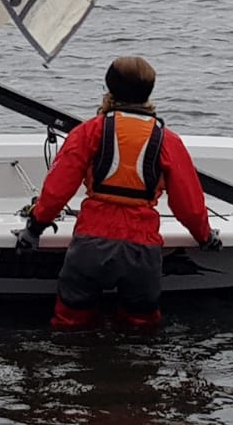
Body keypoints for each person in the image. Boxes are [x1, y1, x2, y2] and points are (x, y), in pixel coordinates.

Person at [16, 56, 219, 331]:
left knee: (70, 325)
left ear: (108, 88)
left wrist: (34, 228)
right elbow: (189, 202)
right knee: (141, 328)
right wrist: (205, 237)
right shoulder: (168, 140)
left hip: (90, 244)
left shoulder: (89, 131)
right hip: (141, 248)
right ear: (149, 91)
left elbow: (57, 189)